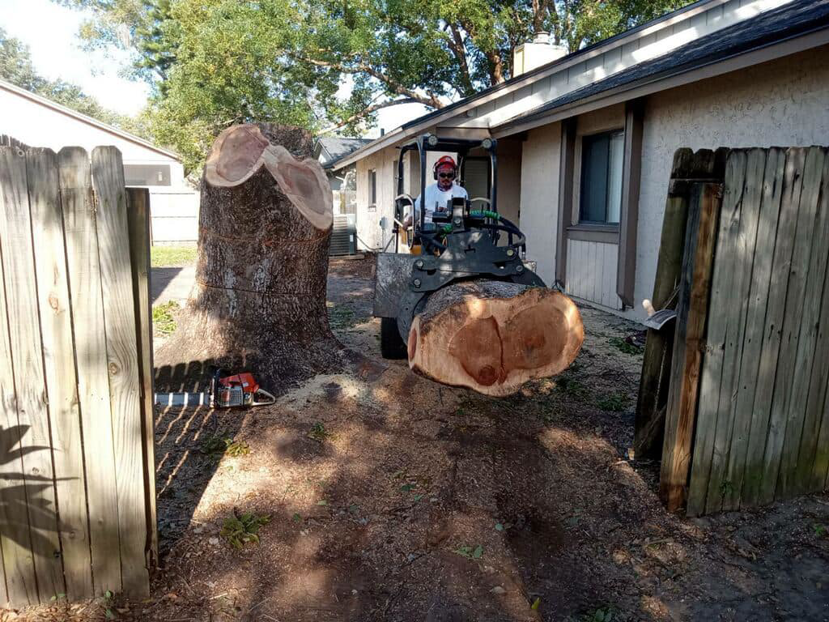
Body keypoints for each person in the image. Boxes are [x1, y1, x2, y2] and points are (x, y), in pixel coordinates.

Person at [403, 155, 468, 227]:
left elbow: (464, 214)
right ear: (436, 175)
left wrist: (449, 211)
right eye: (442, 175)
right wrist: (408, 221)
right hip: (429, 231)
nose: (446, 178)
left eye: (449, 175)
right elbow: (417, 212)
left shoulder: (461, 192)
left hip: (452, 230)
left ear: (454, 176)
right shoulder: (427, 192)